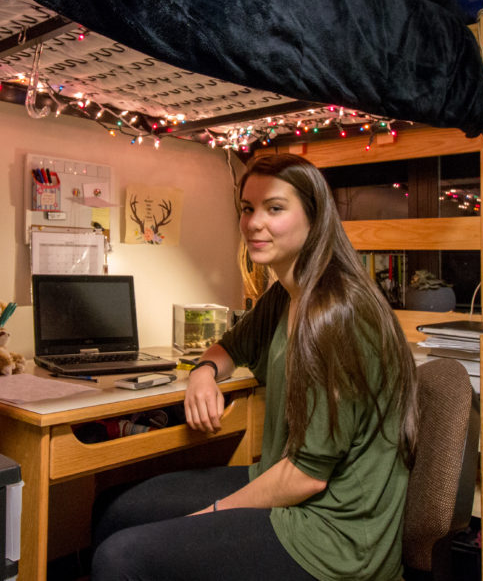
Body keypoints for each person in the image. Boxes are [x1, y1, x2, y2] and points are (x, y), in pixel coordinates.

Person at [90, 153, 418, 581]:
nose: (254, 223)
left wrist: (212, 515)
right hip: (281, 483)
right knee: (115, 508)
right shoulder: (286, 293)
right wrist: (203, 373)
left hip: (332, 537)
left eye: (275, 208)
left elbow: (306, 477)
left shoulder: (338, 313)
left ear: (315, 217)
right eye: (247, 208)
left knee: (120, 558)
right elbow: (229, 347)